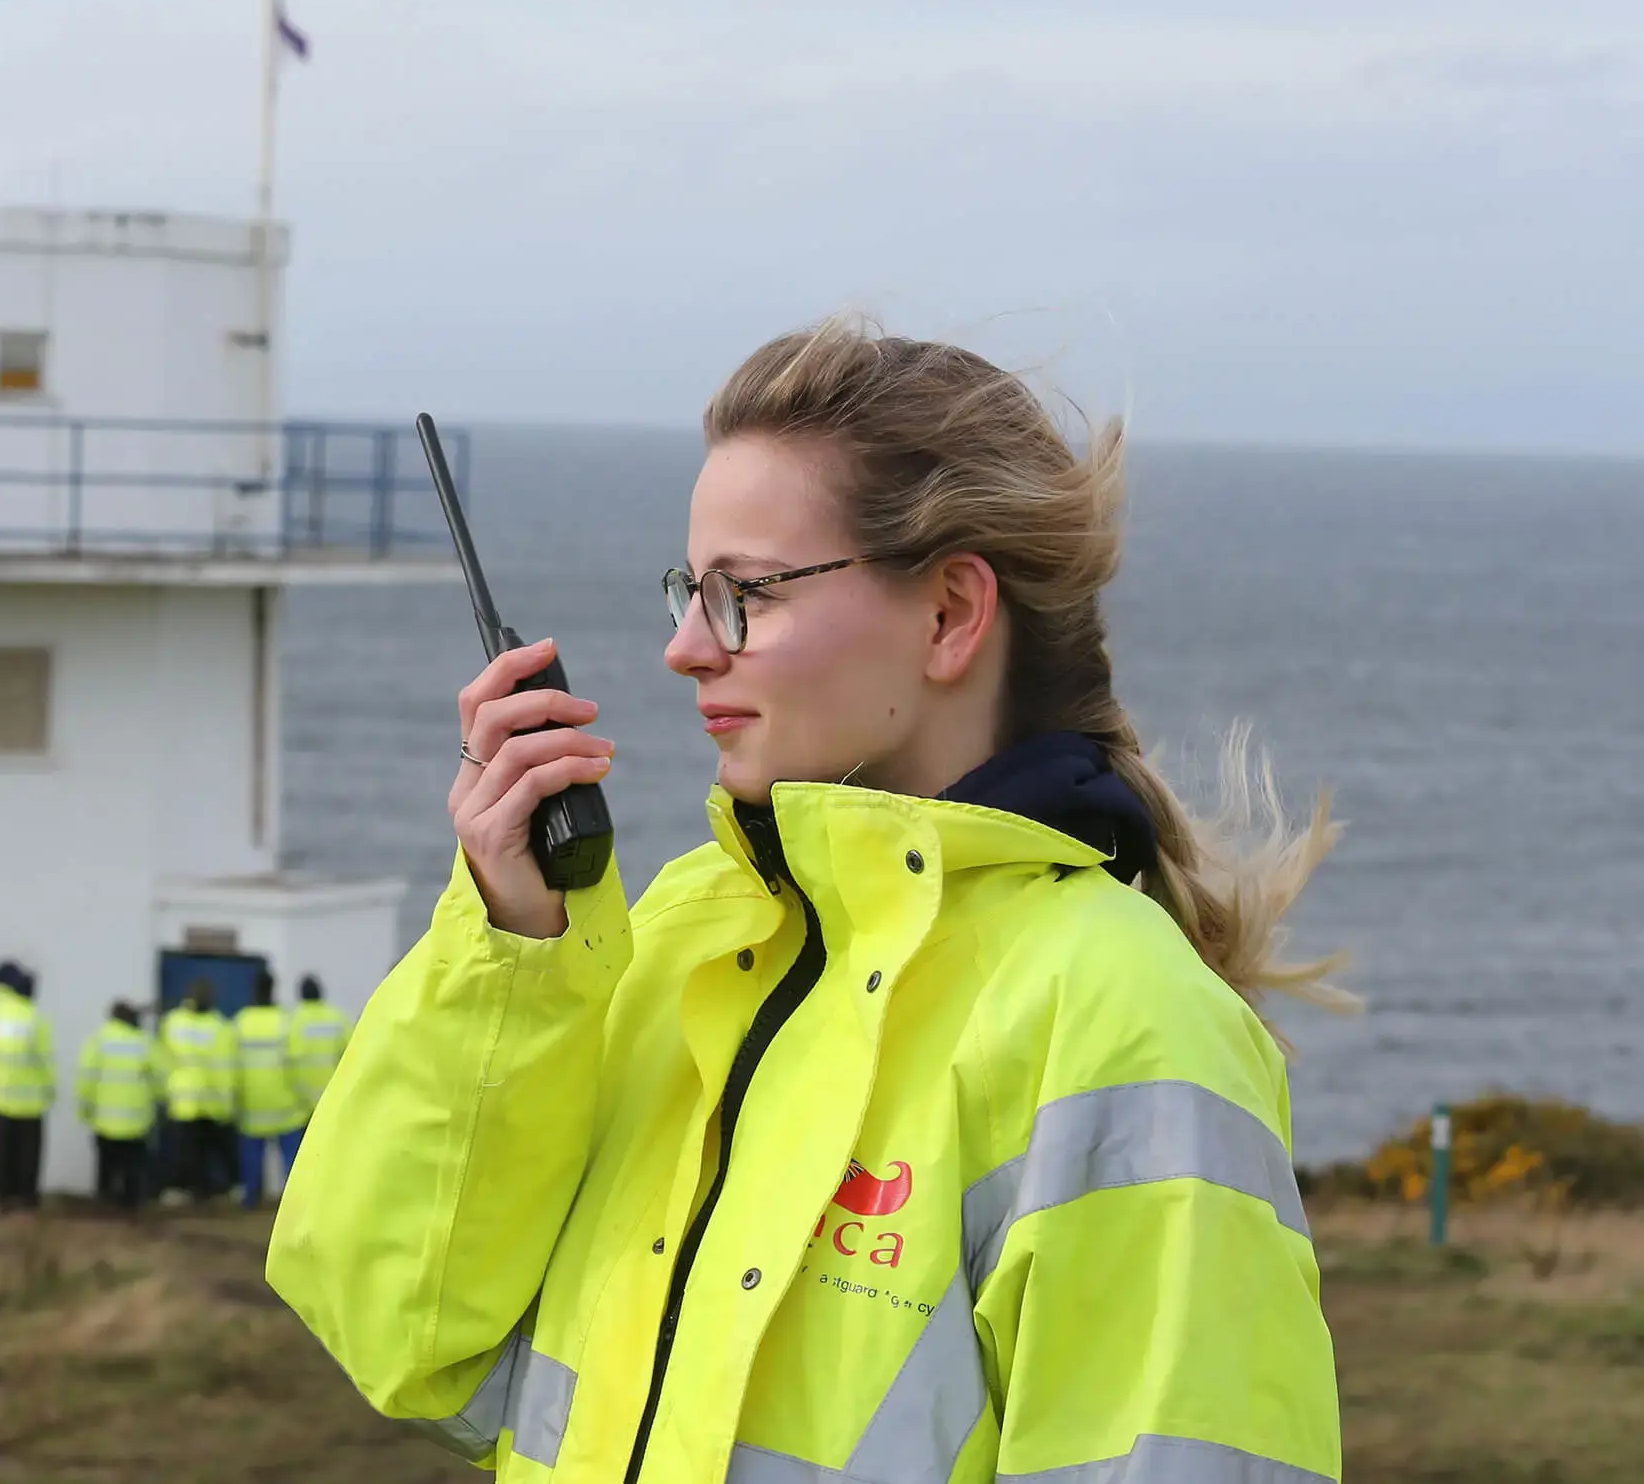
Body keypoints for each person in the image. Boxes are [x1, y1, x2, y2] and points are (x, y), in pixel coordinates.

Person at [269, 320, 1346, 1482]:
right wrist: (513, 948)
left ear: (948, 616)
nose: (686, 647)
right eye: (688, 590)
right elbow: (404, 1334)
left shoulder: (1127, 1018)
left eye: (747, 596)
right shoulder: (672, 936)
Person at [0, 961, 52, 1211]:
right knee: (28, 1152)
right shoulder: (34, 1017)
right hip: (31, 1099)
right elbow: (45, 1060)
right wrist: (50, 1089)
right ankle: (25, 1196)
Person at [231, 971, 306, 1208]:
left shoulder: (240, 1022)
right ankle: (295, 1205)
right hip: (286, 1104)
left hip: (253, 1104)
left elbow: (231, 1064)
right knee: (293, 1162)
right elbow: (297, 1063)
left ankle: (249, 1199)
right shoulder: (287, 1022)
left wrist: (235, 1098)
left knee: (252, 1159)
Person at [161, 978, 238, 1200]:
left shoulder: (173, 1022)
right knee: (204, 1150)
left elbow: (164, 1058)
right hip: (209, 1100)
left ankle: (190, 1191)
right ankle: (210, 1190)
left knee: (189, 1150)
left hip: (185, 1100)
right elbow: (226, 1067)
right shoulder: (220, 1026)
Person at [77, 1000, 157, 1211]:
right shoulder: (145, 1042)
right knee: (134, 1167)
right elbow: (160, 1078)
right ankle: (131, 1205)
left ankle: (104, 1202)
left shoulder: (98, 1041)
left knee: (106, 1165)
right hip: (137, 1121)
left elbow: (86, 1078)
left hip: (105, 1120)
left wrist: (85, 1109)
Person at [285, 974, 352, 1114]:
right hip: (334, 1099)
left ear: (301, 995)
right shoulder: (337, 1018)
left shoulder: (293, 1021)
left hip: (303, 1105)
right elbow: (352, 1053)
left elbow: (288, 1063)